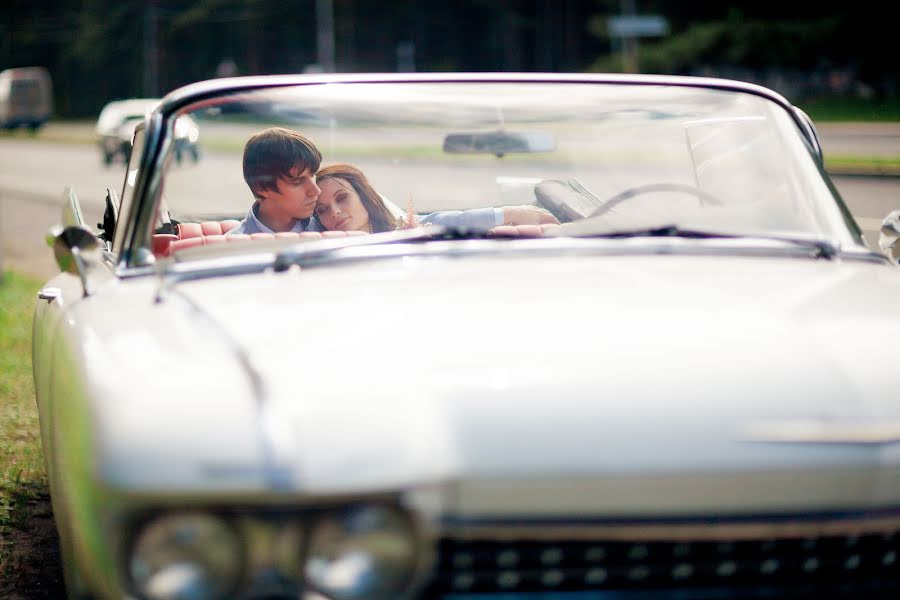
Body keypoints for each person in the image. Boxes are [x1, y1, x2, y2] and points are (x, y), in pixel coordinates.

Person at [313, 163, 559, 233]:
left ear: (364, 195)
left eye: (342, 197)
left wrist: (509, 214)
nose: (333, 212)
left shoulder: (401, 226)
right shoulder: (316, 242)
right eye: (322, 210)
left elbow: (434, 221)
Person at [228, 127, 323, 235]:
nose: (316, 190)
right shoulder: (233, 245)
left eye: (312, 176)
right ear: (261, 187)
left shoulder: (331, 231)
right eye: (298, 181)